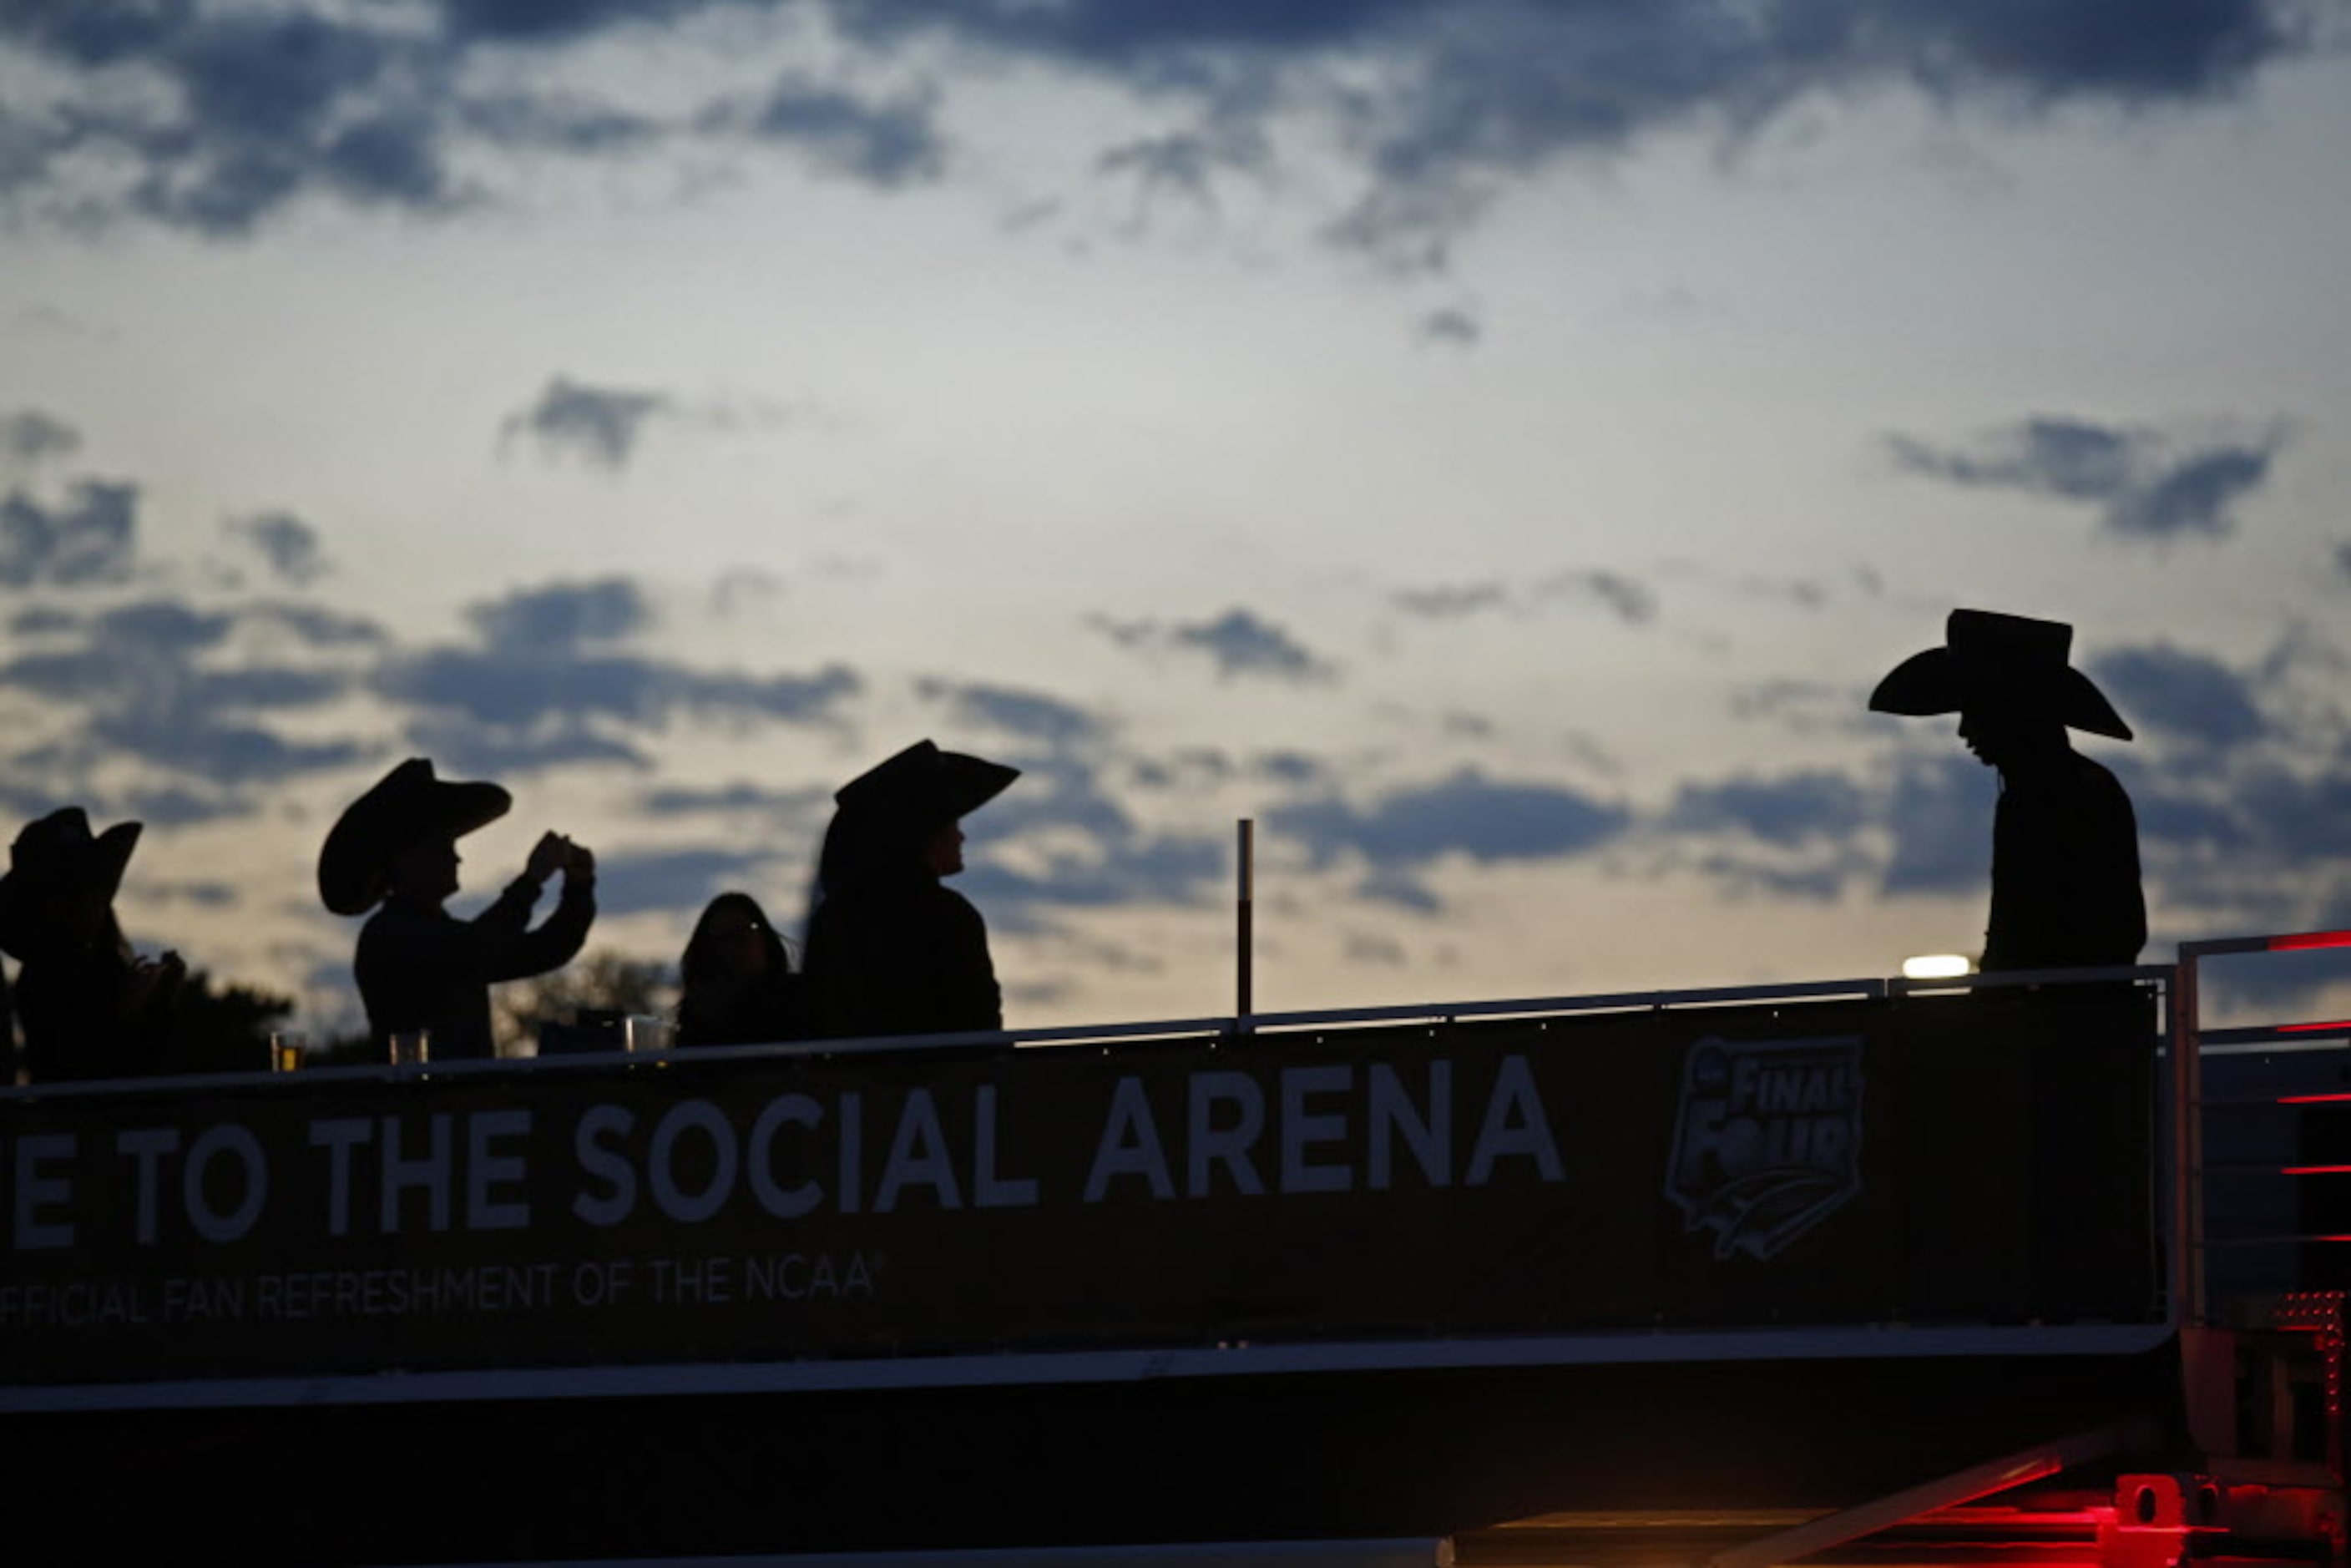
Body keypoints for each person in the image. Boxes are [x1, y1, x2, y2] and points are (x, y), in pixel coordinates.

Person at [1870, 608, 2146, 971]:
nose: (1964, 732)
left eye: (1974, 713)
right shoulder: (2079, 788)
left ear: (2009, 713)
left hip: (2061, 1012)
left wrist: (2001, 994)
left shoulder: (2047, 798)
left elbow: (2025, 930)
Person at [320, 757, 597, 1060]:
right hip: (419, 1104)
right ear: (407, 859)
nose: (456, 860)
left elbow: (543, 950)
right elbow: (474, 950)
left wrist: (578, 887)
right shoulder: (389, 936)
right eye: (444, 847)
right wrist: (532, 879)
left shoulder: (437, 934)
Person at [802, 739, 1018, 1040]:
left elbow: (816, 1016)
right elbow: (978, 1024)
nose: (962, 837)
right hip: (949, 1084)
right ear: (927, 835)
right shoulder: (950, 915)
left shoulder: (834, 918)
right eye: (953, 825)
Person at [0, 807, 185, 1081]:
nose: (95, 904)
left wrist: (159, 1000)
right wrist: (126, 1008)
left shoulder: (100, 968)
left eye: (96, 892)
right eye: (79, 895)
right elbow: (78, 1066)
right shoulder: (43, 979)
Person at [677, 891, 806, 1047]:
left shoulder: (804, 996)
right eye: (726, 936)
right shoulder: (700, 1014)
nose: (741, 941)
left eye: (749, 928)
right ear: (708, 951)